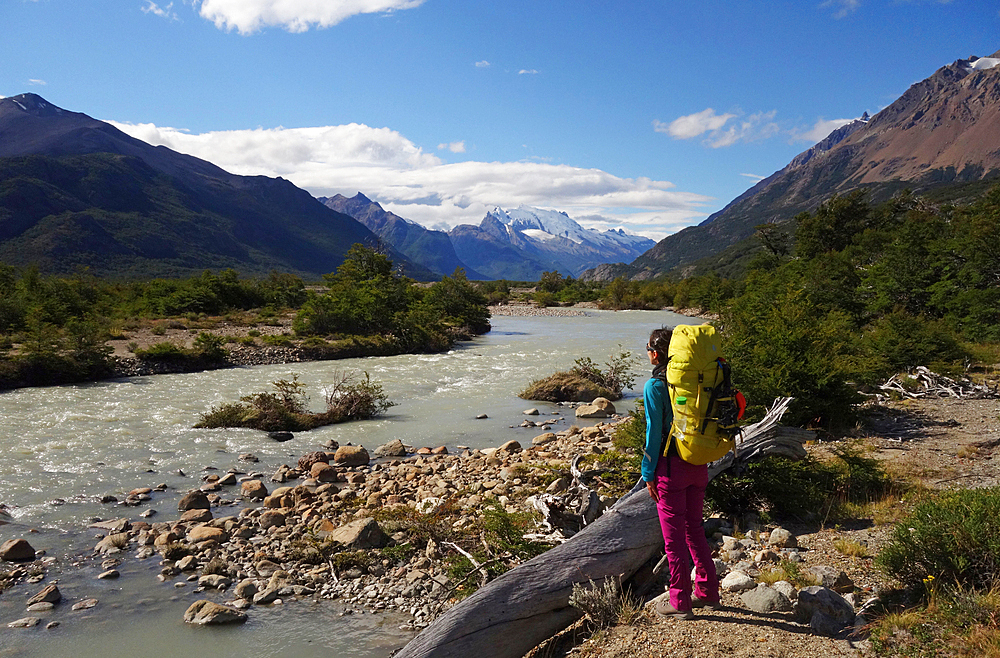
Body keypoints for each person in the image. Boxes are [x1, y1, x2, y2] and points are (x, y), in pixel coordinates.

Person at [641, 327, 720, 620]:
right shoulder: (694, 381)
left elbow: (652, 433)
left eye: (648, 347)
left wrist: (648, 472)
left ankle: (680, 601)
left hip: (670, 469)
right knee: (694, 530)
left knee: (673, 539)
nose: (647, 352)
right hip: (698, 463)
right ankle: (708, 592)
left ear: (656, 353)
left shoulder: (655, 386)